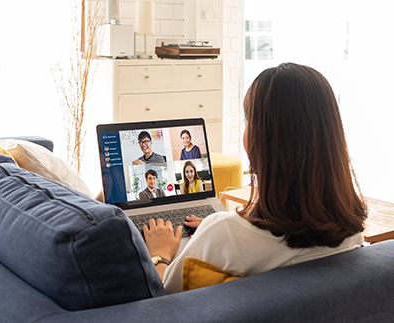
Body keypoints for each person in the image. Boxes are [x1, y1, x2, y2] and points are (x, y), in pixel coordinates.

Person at [142, 63, 368, 294]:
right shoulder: (352, 233)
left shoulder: (222, 235)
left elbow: (163, 300)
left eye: (248, 119)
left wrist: (159, 255)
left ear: (263, 139)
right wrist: (220, 228)